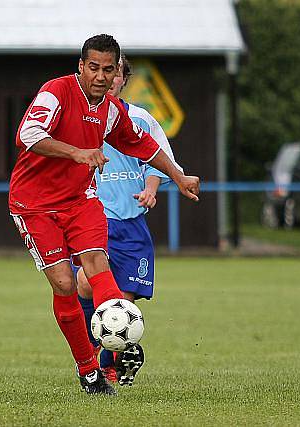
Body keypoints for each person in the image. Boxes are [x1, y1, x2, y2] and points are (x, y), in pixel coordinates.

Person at [8, 34, 200, 395]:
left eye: (107, 69)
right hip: (34, 205)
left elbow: (142, 144)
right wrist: (77, 153)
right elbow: (27, 134)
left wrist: (177, 175)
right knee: (65, 284)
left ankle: (111, 353)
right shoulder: (57, 91)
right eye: (93, 67)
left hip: (81, 200)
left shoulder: (112, 109)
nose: (100, 75)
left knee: (98, 263)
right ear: (81, 67)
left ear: (116, 74)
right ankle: (87, 369)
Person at [75, 54, 182, 387]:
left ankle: (111, 359)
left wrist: (151, 189)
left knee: (122, 303)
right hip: (95, 219)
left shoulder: (139, 119)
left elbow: (156, 162)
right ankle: (99, 358)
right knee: (84, 284)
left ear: (123, 79)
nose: (109, 78)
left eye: (116, 73)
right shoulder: (80, 117)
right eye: (103, 71)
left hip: (132, 226)